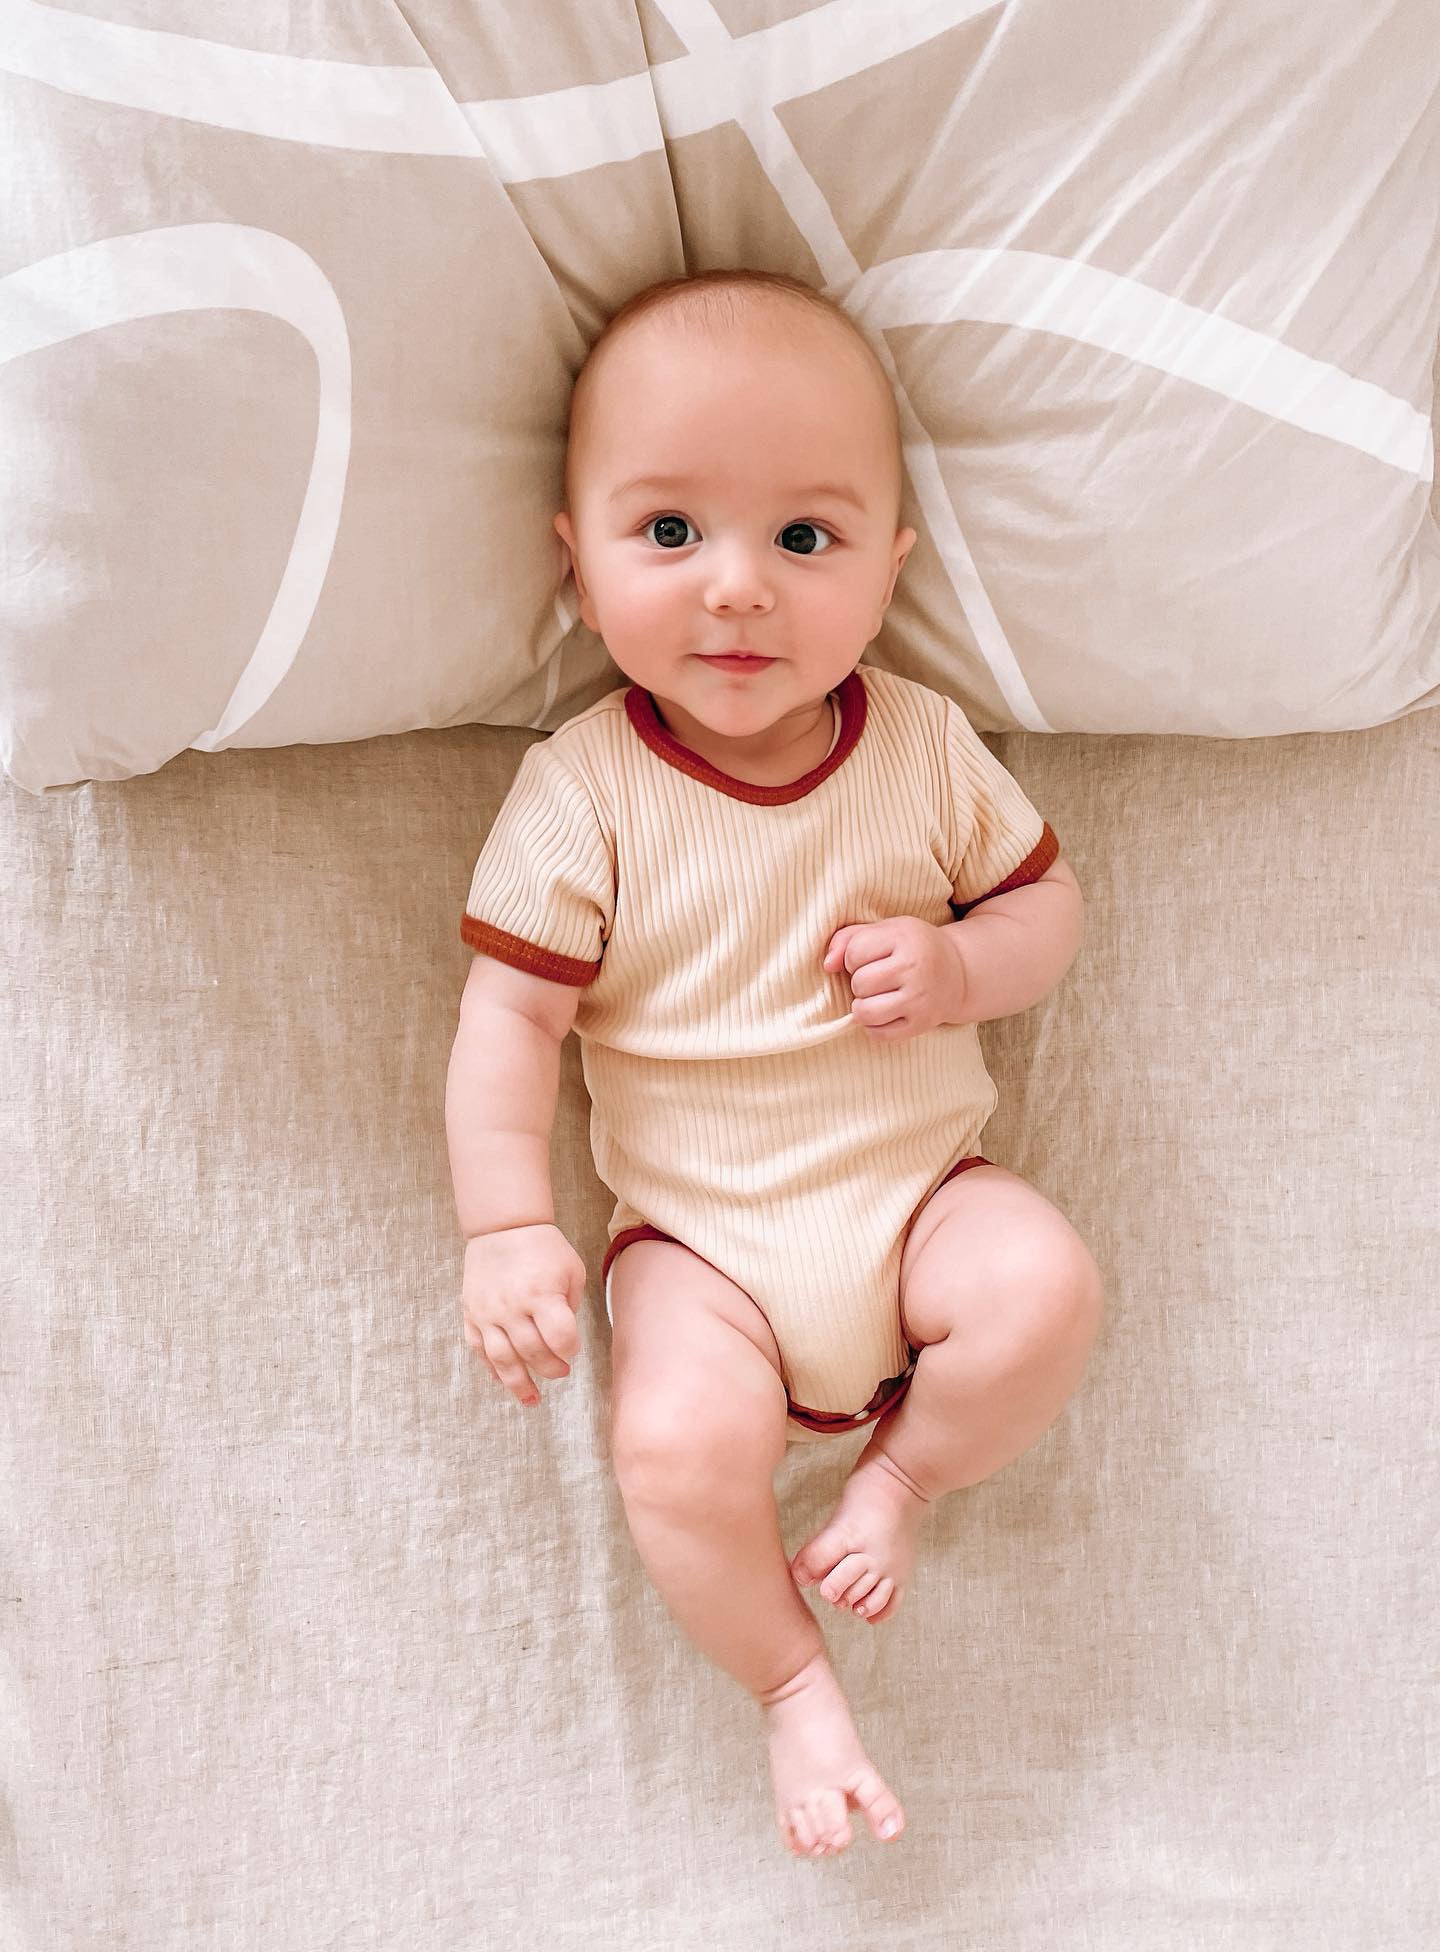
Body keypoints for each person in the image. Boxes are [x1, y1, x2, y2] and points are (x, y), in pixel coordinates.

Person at [445, 268, 1104, 1862]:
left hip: (917, 1197)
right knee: (673, 1447)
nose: (735, 590)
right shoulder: (581, 789)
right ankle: (790, 1683)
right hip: (704, 1247)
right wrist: (504, 1225)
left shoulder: (926, 748)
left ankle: (904, 1482)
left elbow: (1048, 908)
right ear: (577, 560)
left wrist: (960, 965)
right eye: (669, 533)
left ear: (892, 565)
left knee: (1047, 1289)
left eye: (802, 540)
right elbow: (510, 1020)